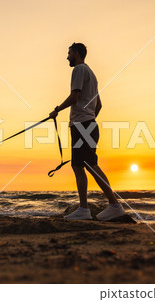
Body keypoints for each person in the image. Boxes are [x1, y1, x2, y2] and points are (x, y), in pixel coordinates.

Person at [49, 42, 125, 221]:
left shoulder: (79, 70)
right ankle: (84, 208)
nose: (67, 57)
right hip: (87, 124)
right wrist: (89, 118)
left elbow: (75, 96)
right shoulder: (92, 74)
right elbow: (98, 104)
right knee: (78, 165)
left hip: (82, 125)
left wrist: (57, 110)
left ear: (76, 52)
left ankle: (114, 205)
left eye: (68, 53)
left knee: (90, 164)